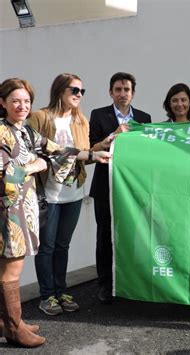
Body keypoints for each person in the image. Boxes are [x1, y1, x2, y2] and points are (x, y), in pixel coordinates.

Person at [0, 78, 110, 347]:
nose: (22, 106)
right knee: (11, 270)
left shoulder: (24, 131)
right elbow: (6, 173)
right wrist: (33, 166)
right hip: (7, 209)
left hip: (23, 206)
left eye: (26, 101)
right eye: (15, 100)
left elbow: (57, 150)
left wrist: (94, 156)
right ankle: (14, 329)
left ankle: (8, 321)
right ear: (2, 102)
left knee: (10, 267)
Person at [29, 74, 114, 316]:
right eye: (74, 89)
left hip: (73, 191)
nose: (79, 94)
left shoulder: (81, 120)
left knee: (62, 245)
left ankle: (60, 291)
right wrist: (87, 154)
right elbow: (35, 151)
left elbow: (85, 155)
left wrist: (104, 145)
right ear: (59, 91)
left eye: (82, 91)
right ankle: (47, 296)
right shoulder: (40, 117)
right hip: (47, 193)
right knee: (47, 246)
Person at [89, 72, 151, 304]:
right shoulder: (98, 115)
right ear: (110, 92)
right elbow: (91, 149)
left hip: (133, 188)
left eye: (126, 89)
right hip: (105, 186)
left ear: (133, 92)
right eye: (118, 89)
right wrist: (114, 134)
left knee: (132, 235)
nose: (123, 93)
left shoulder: (144, 118)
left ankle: (130, 283)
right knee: (105, 237)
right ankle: (105, 285)